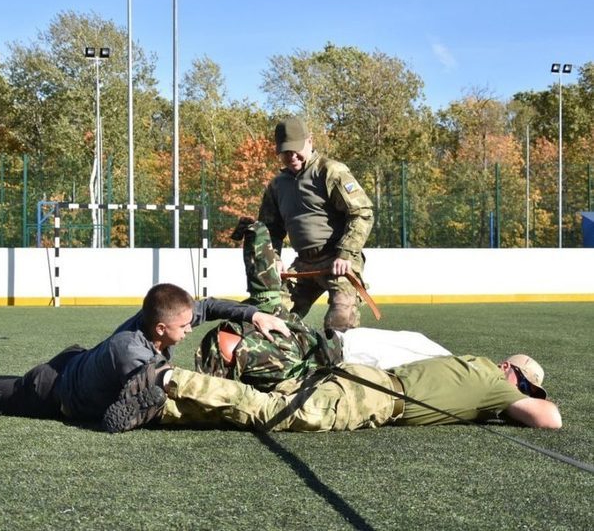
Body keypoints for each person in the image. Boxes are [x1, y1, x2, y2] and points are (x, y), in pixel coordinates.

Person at [0, 283, 291, 423]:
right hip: (51, 392)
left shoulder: (150, 320)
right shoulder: (133, 352)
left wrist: (255, 316)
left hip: (71, 363)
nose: (190, 328)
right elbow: (160, 388)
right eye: (184, 327)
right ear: (162, 328)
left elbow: (208, 305)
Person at [195, 219, 450, 391]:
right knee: (426, 364)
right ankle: (478, 373)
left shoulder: (260, 317)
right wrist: (254, 229)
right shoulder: (261, 320)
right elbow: (262, 272)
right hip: (349, 356)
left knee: (422, 353)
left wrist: (256, 231)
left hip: (349, 349)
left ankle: (476, 371)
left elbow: (261, 273)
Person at [105, 350, 562, 433]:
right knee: (274, 413)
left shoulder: (471, 363)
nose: (523, 394)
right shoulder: (493, 386)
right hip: (375, 397)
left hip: (362, 377)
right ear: (509, 371)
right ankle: (170, 380)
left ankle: (161, 409)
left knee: (257, 408)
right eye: (524, 384)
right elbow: (549, 419)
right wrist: (521, 401)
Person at [258, 116, 374, 332]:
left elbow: (361, 213)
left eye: (296, 149)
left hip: (337, 260)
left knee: (340, 320)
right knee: (272, 315)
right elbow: (269, 229)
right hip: (303, 265)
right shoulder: (276, 186)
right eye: (285, 152)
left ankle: (342, 363)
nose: (292, 157)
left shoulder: (330, 172)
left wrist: (345, 254)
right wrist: (274, 258)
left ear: (309, 141)